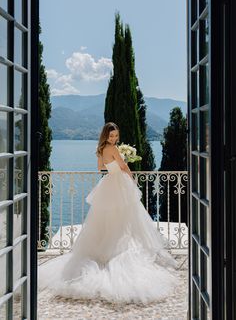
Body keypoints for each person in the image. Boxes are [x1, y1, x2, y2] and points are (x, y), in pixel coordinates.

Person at [39, 122, 178, 304]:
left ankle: (104, 249)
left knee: (106, 219)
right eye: (111, 136)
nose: (114, 139)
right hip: (119, 183)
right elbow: (124, 167)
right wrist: (131, 176)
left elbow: (100, 168)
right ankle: (115, 251)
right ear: (106, 135)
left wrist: (112, 166)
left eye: (115, 136)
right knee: (124, 218)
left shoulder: (101, 149)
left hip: (108, 183)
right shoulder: (113, 148)